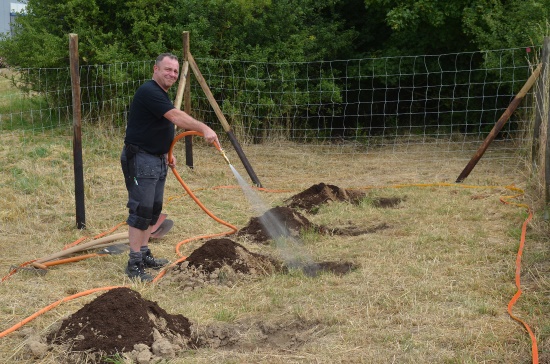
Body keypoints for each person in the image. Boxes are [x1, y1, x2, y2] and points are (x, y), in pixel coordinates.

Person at [121, 53, 219, 281]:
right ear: (155, 69)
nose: (172, 74)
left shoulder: (160, 95)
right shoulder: (149, 91)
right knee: (141, 210)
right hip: (141, 159)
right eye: (168, 69)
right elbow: (175, 116)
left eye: (175, 71)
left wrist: (166, 152)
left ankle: (144, 254)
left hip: (156, 158)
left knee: (153, 210)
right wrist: (203, 127)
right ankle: (134, 263)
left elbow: (155, 126)